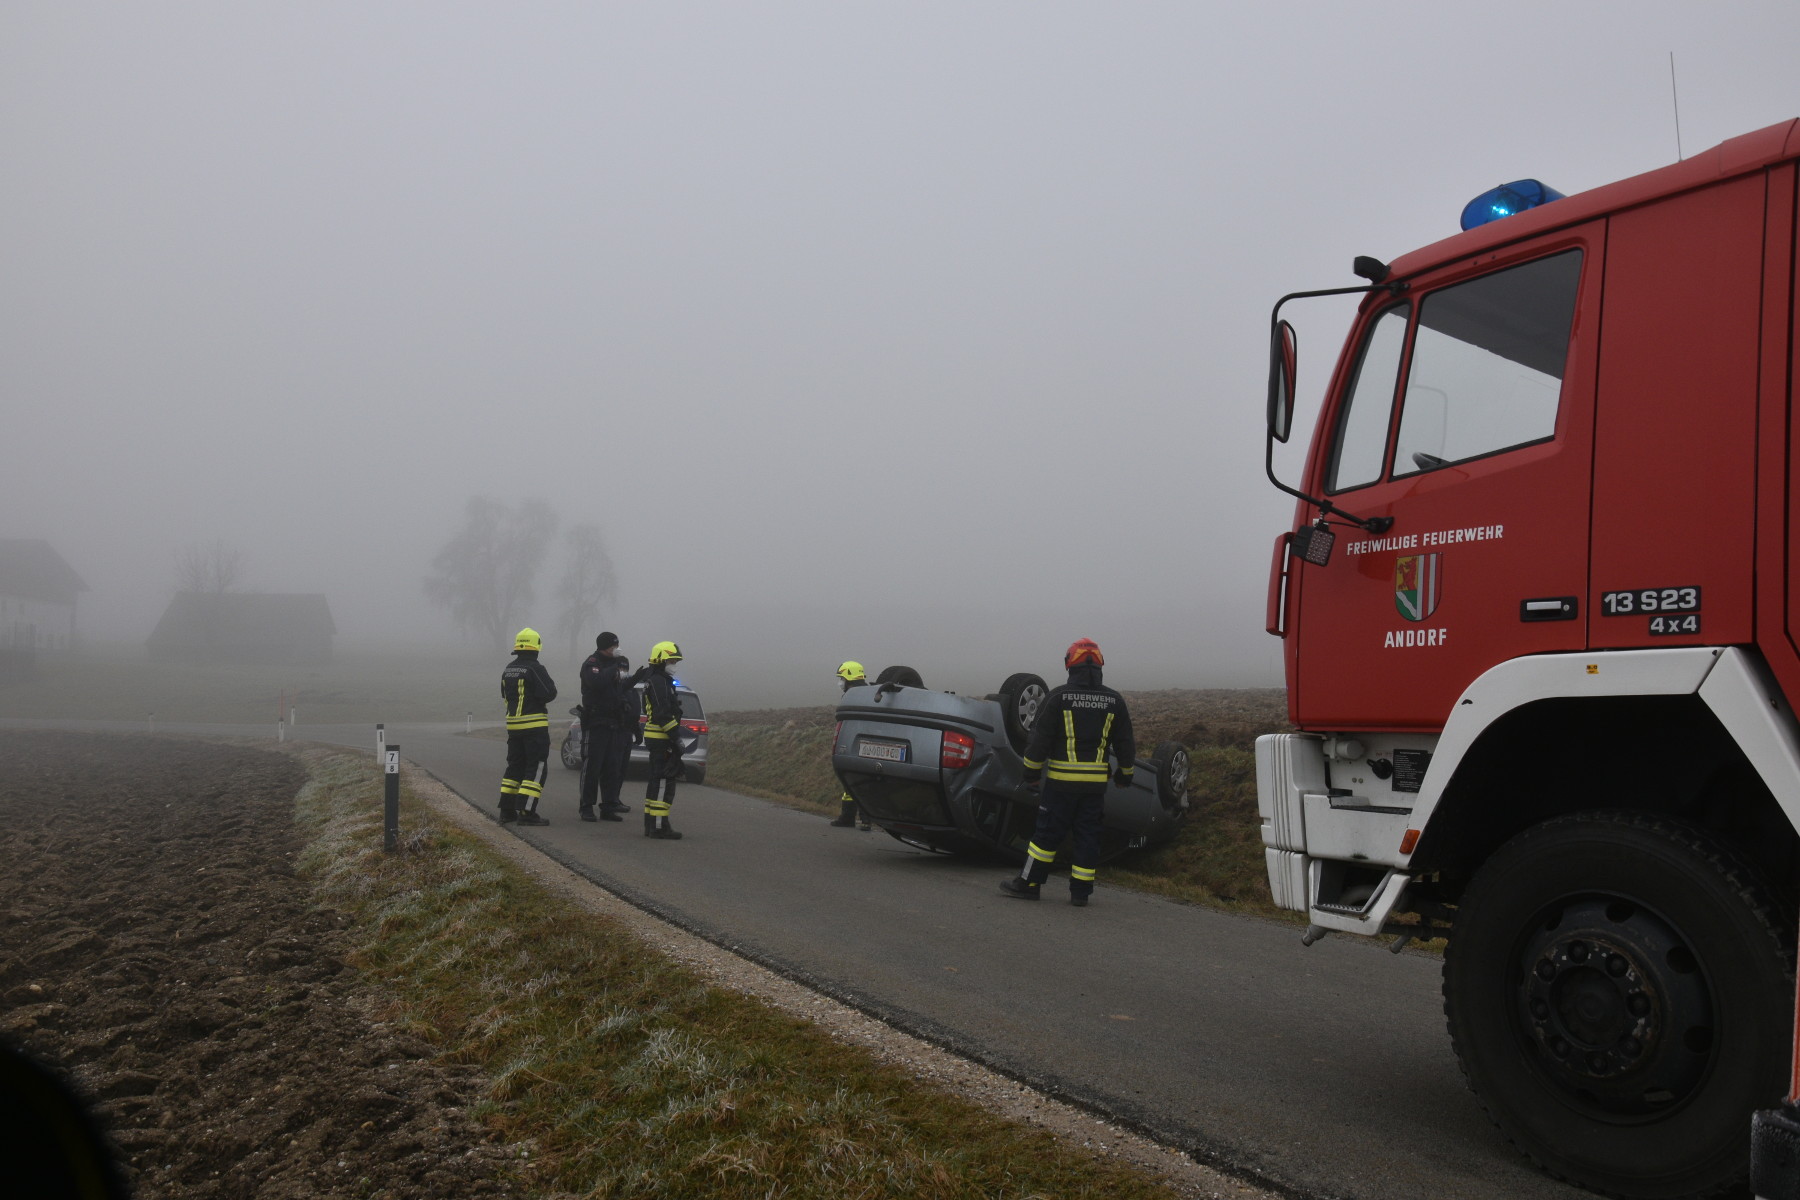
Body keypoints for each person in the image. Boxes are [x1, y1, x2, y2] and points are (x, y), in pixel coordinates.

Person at [1000, 638, 1135, 907]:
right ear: (1099, 665)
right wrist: (1125, 774)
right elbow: (1125, 743)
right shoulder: (1114, 700)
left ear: (1069, 664)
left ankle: (1029, 884)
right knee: (1088, 836)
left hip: (1061, 785)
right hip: (1094, 787)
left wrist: (1031, 773)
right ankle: (1080, 893)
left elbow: (1039, 741)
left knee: (1046, 836)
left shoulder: (1058, 698)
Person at [576, 632, 642, 822]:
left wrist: (635, 678)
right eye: (614, 646)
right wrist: (614, 666)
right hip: (596, 722)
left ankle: (608, 806)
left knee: (612, 767)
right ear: (606, 646)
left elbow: (619, 689)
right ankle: (586, 806)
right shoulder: (592, 663)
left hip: (614, 723)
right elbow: (596, 683)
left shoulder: (614, 666)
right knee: (592, 767)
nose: (617, 648)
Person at [500, 627, 558, 827]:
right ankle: (527, 811)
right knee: (536, 767)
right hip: (534, 727)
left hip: (513, 727)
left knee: (515, 766)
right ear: (536, 647)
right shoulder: (535, 668)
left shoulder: (508, 668)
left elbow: (504, 694)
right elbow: (549, 693)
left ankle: (507, 811)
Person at [641, 640, 689, 840]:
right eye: (671, 660)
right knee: (662, 782)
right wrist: (676, 737)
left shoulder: (658, 680)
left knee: (656, 781)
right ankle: (659, 827)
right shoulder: (659, 682)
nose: (674, 664)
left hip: (658, 737)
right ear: (660, 659)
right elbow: (662, 713)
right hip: (661, 739)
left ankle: (652, 825)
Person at [829, 661, 872, 830]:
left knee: (854, 780)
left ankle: (854, 818)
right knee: (858, 780)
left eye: (841, 678)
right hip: (864, 740)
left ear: (849, 676)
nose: (840, 682)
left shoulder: (853, 695)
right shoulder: (869, 692)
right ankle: (859, 819)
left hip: (855, 741)